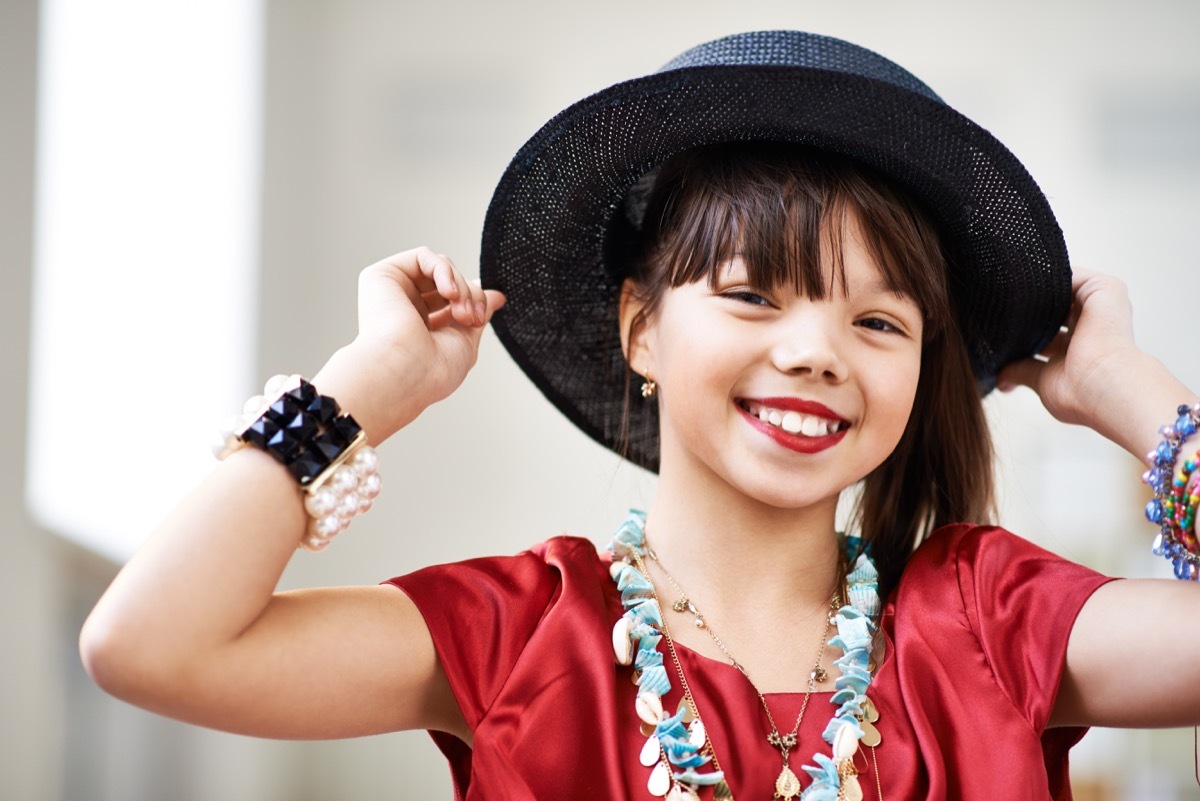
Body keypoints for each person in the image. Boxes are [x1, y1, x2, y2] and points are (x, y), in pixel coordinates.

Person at [80, 30, 1200, 800]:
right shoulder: (520, 633)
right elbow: (149, 646)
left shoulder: (991, 622)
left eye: (879, 323)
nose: (814, 353)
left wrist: (1122, 388)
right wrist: (369, 381)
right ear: (641, 327)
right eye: (754, 294)